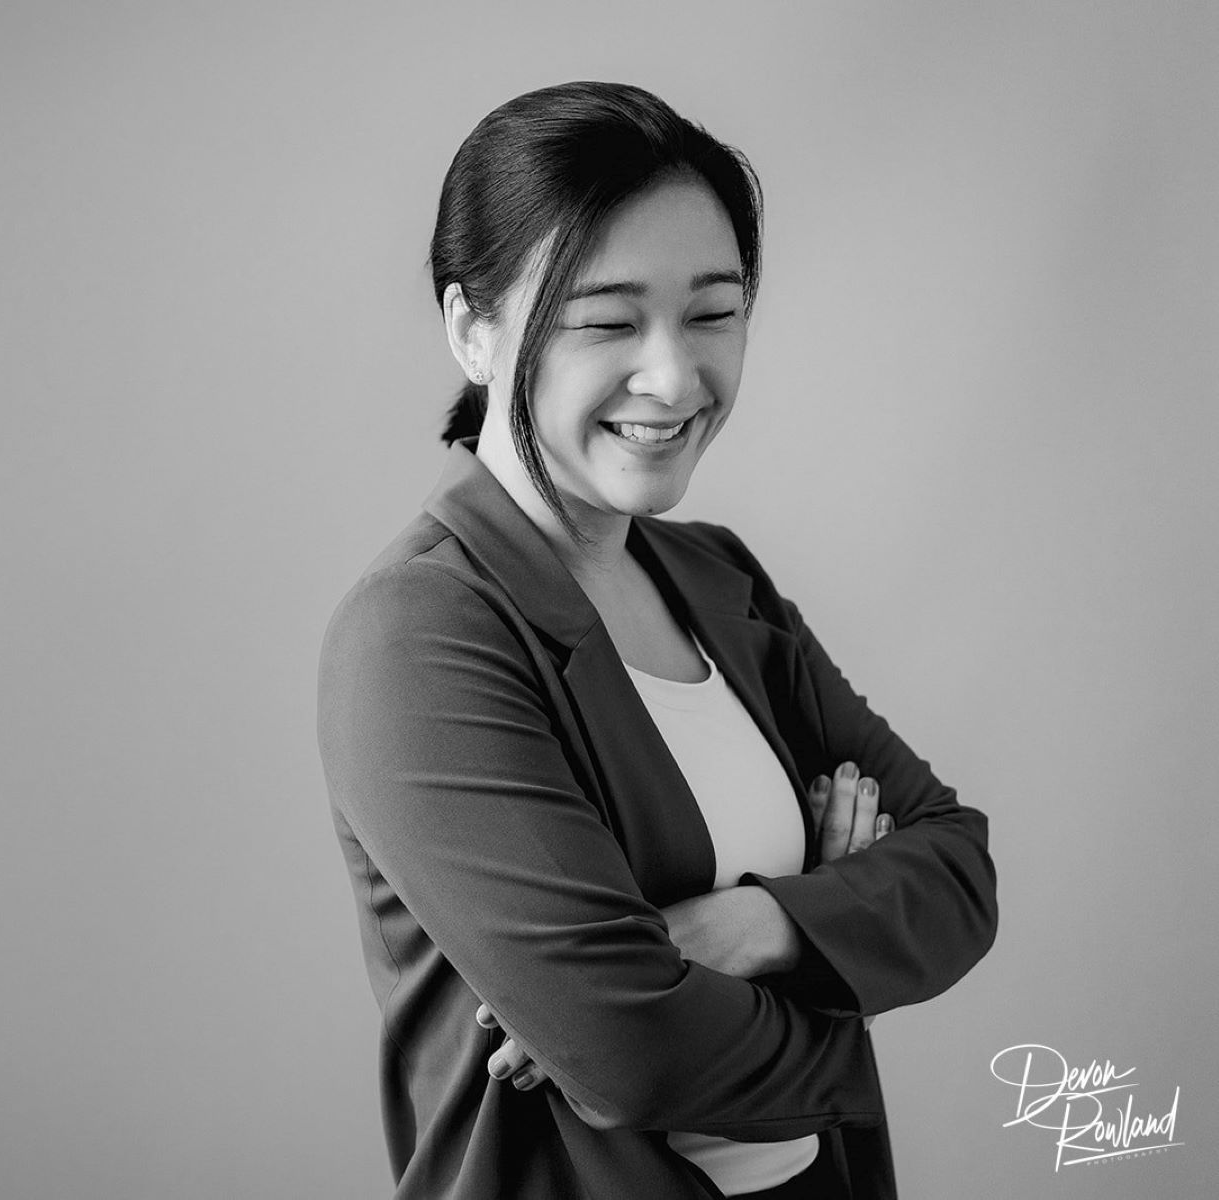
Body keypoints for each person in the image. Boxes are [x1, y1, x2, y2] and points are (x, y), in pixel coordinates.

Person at [315, 81, 998, 1199]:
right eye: (605, 319)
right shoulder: (418, 635)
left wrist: (754, 926)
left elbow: (956, 868)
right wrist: (843, 1012)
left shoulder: (712, 574)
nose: (675, 377)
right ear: (471, 330)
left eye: (713, 312)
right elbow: (629, 1049)